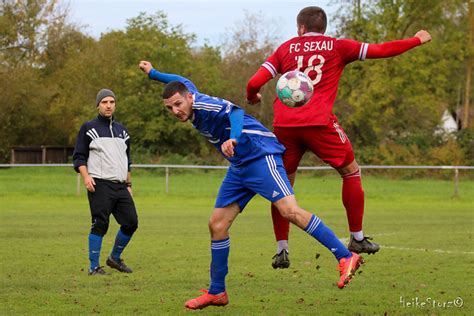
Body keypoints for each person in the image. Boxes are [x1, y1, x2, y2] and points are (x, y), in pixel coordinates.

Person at [139, 61, 364, 310]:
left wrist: (233, 137)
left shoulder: (203, 103)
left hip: (260, 155)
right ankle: (217, 292)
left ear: (189, 98)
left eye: (178, 104)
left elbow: (234, 112)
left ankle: (346, 256)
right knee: (217, 224)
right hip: (240, 165)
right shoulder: (188, 94)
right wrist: (153, 73)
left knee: (289, 211)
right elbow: (179, 76)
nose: (175, 111)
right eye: (170, 108)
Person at [246, 6, 432, 268]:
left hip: (285, 127)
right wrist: (416, 40)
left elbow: (254, 82)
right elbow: (381, 50)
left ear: (300, 28)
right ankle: (357, 238)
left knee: (282, 188)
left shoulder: (285, 49)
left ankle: (282, 250)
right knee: (351, 172)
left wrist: (253, 96)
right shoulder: (337, 46)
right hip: (320, 124)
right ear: (323, 27)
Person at [73, 89, 138, 275]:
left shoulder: (122, 131)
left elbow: (127, 160)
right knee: (100, 224)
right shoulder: (89, 128)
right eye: (104, 102)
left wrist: (128, 185)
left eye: (111, 102)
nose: (108, 105)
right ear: (98, 105)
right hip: (99, 184)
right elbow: (79, 157)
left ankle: (114, 258)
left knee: (131, 222)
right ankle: (94, 267)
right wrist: (86, 177)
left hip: (120, 186)